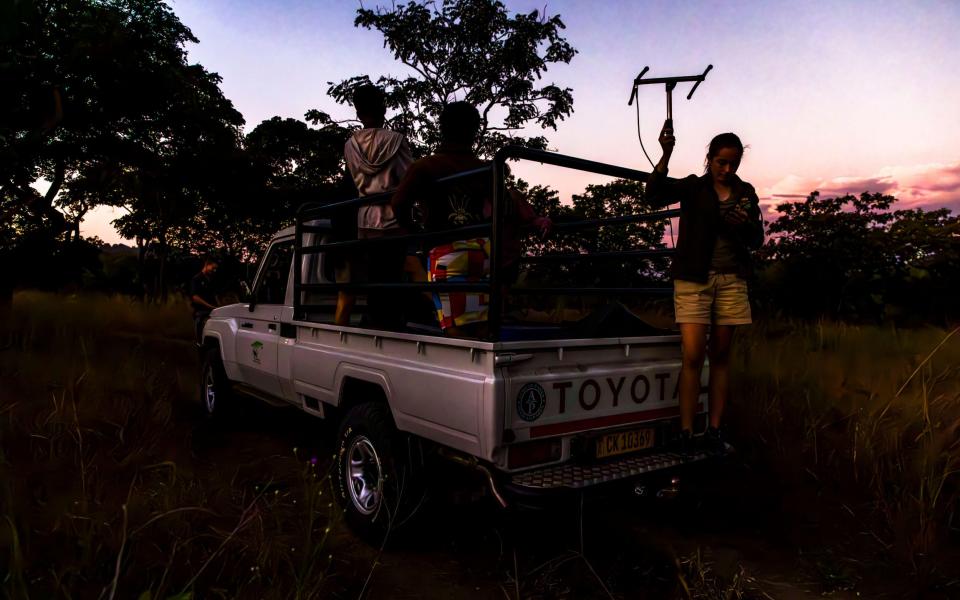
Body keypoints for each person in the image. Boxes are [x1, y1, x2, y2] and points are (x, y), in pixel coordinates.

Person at [645, 120, 764, 456]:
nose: (726, 169)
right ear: (709, 158)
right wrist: (666, 152)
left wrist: (746, 226)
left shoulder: (746, 193)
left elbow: (757, 240)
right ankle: (686, 432)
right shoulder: (694, 187)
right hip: (694, 280)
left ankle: (714, 430)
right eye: (720, 162)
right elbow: (652, 196)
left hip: (732, 281)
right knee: (694, 355)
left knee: (722, 357)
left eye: (733, 163)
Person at [390, 102, 551, 337]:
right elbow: (502, 207)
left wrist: (416, 234)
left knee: (455, 330)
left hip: (446, 252)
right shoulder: (486, 169)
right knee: (482, 324)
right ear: (475, 131)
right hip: (483, 251)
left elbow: (398, 203)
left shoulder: (425, 166)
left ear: (442, 128)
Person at [339, 84, 414, 327]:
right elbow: (408, 179)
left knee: (375, 275)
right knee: (393, 273)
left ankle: (375, 319)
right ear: (383, 107)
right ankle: (390, 321)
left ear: (359, 112)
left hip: (366, 217)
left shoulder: (349, 145)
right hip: (393, 217)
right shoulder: (396, 140)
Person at [190, 257, 219, 345]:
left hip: (213, 310)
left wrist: (219, 307)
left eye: (215, 269)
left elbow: (215, 295)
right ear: (207, 265)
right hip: (201, 311)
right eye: (213, 268)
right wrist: (209, 306)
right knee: (200, 324)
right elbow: (195, 297)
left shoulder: (212, 280)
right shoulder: (196, 279)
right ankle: (199, 343)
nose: (214, 271)